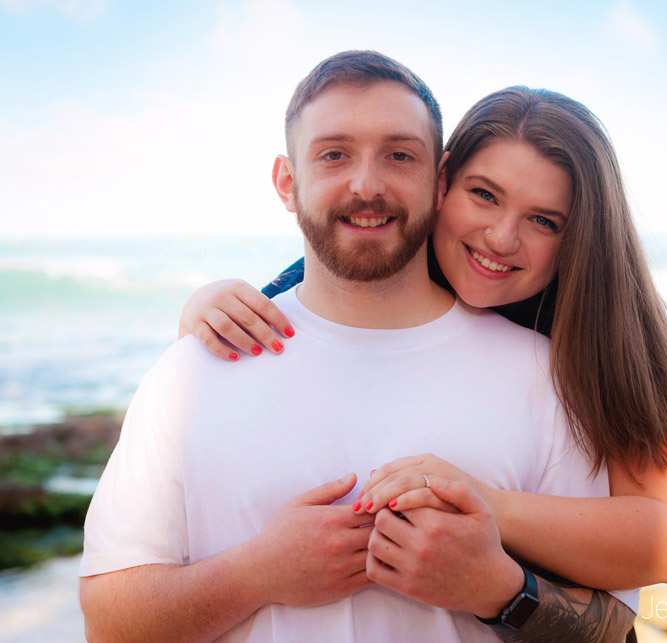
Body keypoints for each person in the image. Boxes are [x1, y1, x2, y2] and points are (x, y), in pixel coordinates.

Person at [79, 51, 637, 642]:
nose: (366, 185)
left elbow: (615, 624)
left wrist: (494, 589)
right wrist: (254, 576)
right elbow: (108, 626)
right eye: (334, 154)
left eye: (399, 155)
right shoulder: (193, 369)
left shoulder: (544, 373)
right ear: (287, 184)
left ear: (439, 179)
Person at [178, 84, 667, 593]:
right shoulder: (380, 262)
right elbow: (265, 319)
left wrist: (483, 503)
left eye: (544, 221)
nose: (501, 238)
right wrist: (203, 306)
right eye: (484, 195)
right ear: (441, 182)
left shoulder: (607, 324)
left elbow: (663, 545)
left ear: (581, 237)